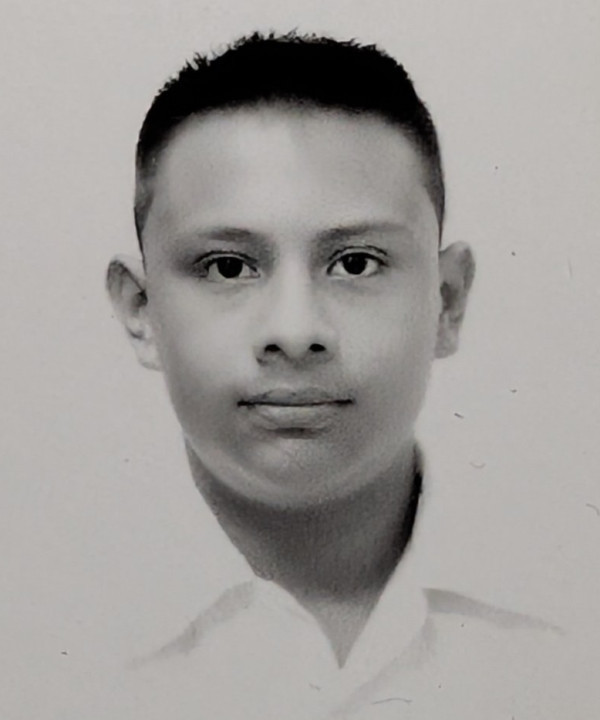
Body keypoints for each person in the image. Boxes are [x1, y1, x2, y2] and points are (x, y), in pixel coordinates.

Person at [105, 31, 564, 719]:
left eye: (355, 263)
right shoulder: (36, 638)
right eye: (228, 267)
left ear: (446, 302)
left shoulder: (573, 625)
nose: (295, 332)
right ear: (141, 311)